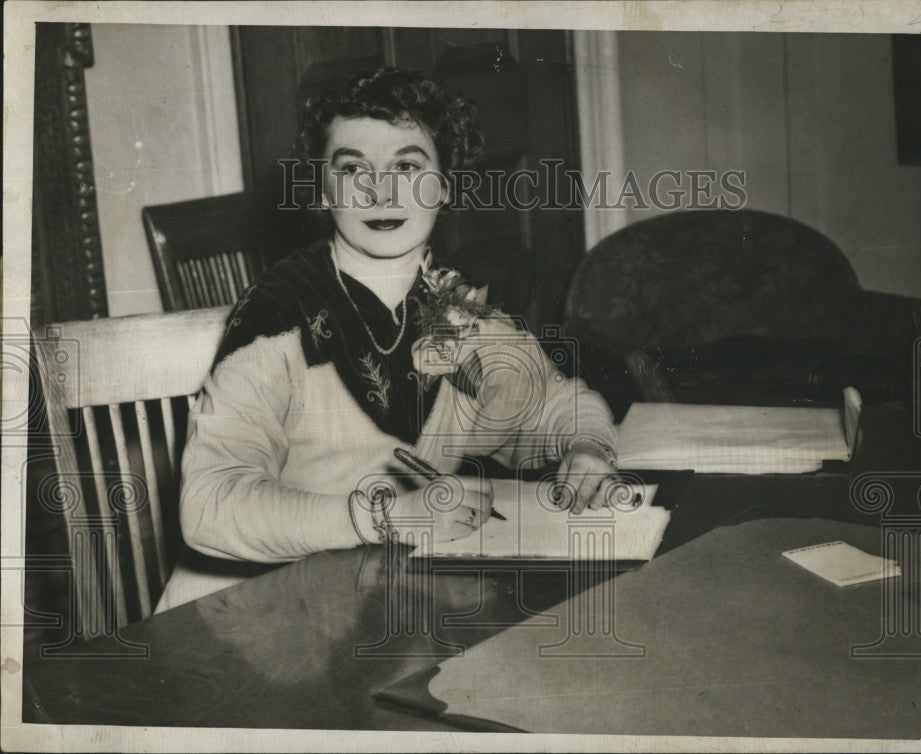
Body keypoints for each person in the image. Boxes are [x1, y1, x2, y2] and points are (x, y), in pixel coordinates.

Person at [156, 67, 618, 611]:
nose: (381, 190)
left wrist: (586, 448)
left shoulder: (457, 309)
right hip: (247, 619)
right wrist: (386, 516)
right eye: (353, 169)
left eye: (407, 166)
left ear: (445, 186)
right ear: (321, 190)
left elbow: (556, 403)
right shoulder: (276, 317)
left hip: (381, 605)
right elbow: (209, 506)